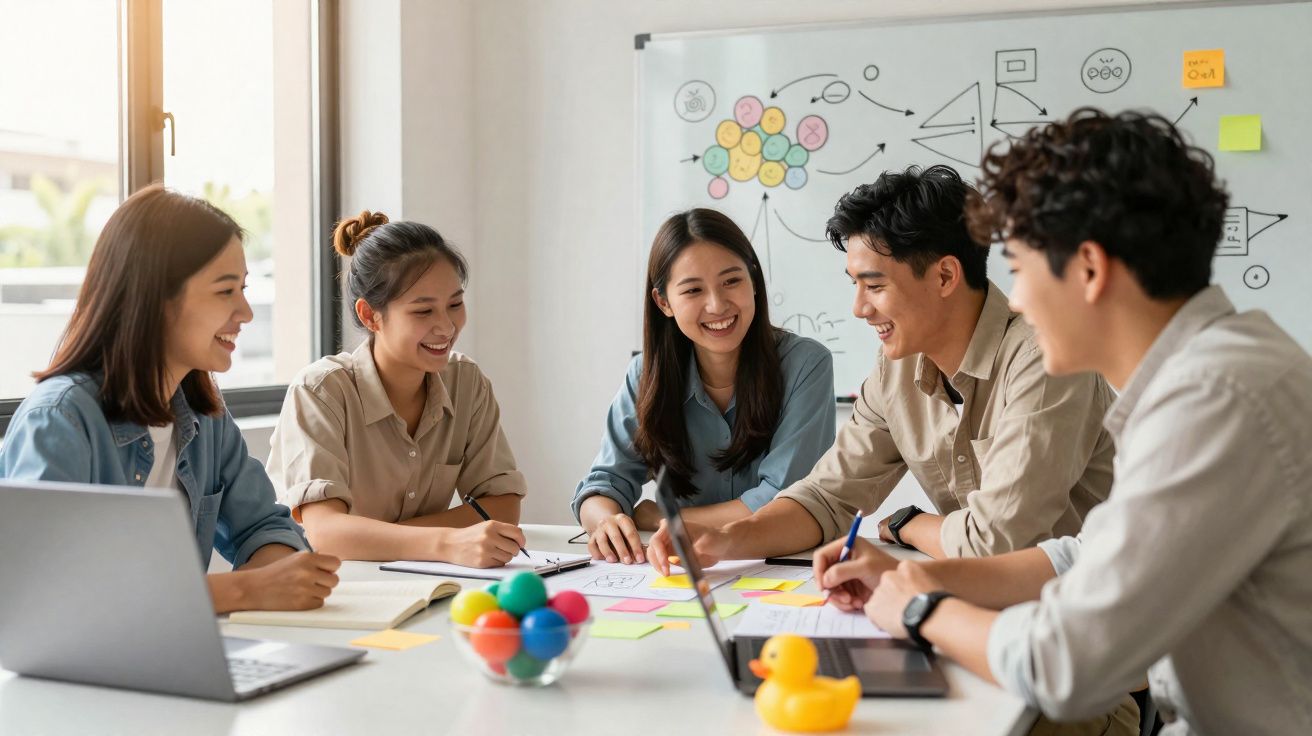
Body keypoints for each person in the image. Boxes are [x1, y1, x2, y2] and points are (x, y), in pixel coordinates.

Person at [828, 109, 1312, 735]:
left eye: (1023, 269)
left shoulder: (1213, 399)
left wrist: (920, 608)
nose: (1018, 299)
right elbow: (1089, 554)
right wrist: (914, 572)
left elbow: (1065, 663)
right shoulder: (1215, 370)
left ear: (1088, 268)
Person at [650, 165, 1115, 571]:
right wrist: (728, 540)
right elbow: (825, 497)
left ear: (945, 276)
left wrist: (912, 525)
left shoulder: (1047, 360)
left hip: (1104, 638)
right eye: (855, 284)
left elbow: (992, 544)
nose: (859, 308)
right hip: (1003, 613)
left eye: (873, 286)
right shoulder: (896, 372)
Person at [0, 184, 337, 613]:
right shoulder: (60, 420)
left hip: (170, 653)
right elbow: (41, 589)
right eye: (225, 291)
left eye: (244, 289)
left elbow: (266, 526)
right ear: (155, 298)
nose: (246, 313)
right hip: (75, 675)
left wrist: (279, 576)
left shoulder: (204, 414)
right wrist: (243, 592)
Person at [572, 208, 835, 564]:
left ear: (754, 281)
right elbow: (604, 484)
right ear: (664, 302)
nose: (717, 304)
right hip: (682, 572)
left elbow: (783, 500)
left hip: (782, 567)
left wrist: (663, 518)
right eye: (693, 289)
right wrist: (606, 521)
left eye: (731, 281)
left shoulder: (806, 364)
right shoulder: (645, 374)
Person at [267, 211, 527, 568]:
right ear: (370, 315)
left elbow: (501, 506)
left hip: (426, 583)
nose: (447, 326)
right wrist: (447, 541)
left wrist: (379, 537)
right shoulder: (319, 392)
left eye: (455, 304)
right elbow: (326, 534)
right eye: (423, 312)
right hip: (332, 590)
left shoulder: (466, 381)